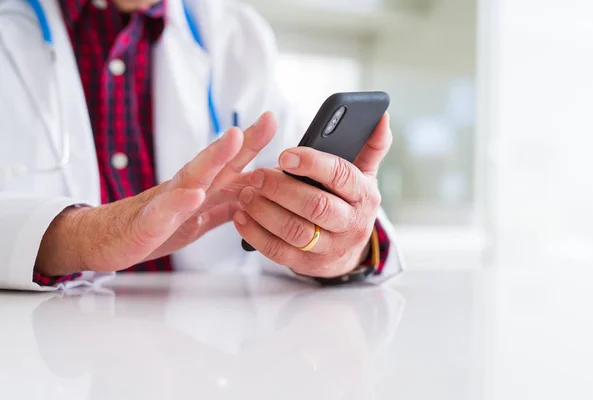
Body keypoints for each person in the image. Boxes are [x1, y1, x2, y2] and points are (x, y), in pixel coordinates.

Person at [0, 0, 404, 291]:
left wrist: (339, 247)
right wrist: (83, 237)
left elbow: (305, 206)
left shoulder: (234, 33)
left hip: (203, 359)